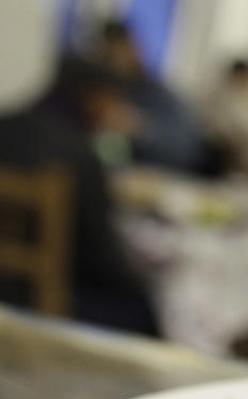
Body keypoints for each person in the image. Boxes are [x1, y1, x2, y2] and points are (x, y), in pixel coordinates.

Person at [0, 2, 158, 336]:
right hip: (48, 300)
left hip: (9, 287)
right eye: (111, 98)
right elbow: (103, 259)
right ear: (92, 97)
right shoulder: (80, 155)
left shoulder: (7, 124)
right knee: (151, 305)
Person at [93, 20, 218, 174]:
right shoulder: (98, 92)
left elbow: (188, 150)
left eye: (122, 52)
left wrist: (140, 128)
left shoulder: (157, 93)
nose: (117, 63)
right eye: (108, 57)